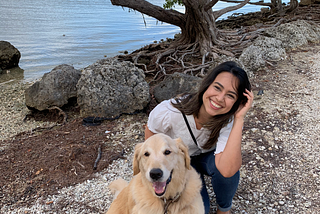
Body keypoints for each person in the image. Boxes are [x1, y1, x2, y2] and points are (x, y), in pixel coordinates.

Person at [144, 61, 254, 214]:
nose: (220, 98)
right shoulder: (170, 112)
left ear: (238, 102)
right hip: (179, 161)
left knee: (227, 169)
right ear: (207, 85)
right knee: (201, 210)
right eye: (217, 88)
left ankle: (224, 210)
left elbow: (227, 169)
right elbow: (151, 140)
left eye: (230, 95)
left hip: (207, 159)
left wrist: (239, 119)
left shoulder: (229, 120)